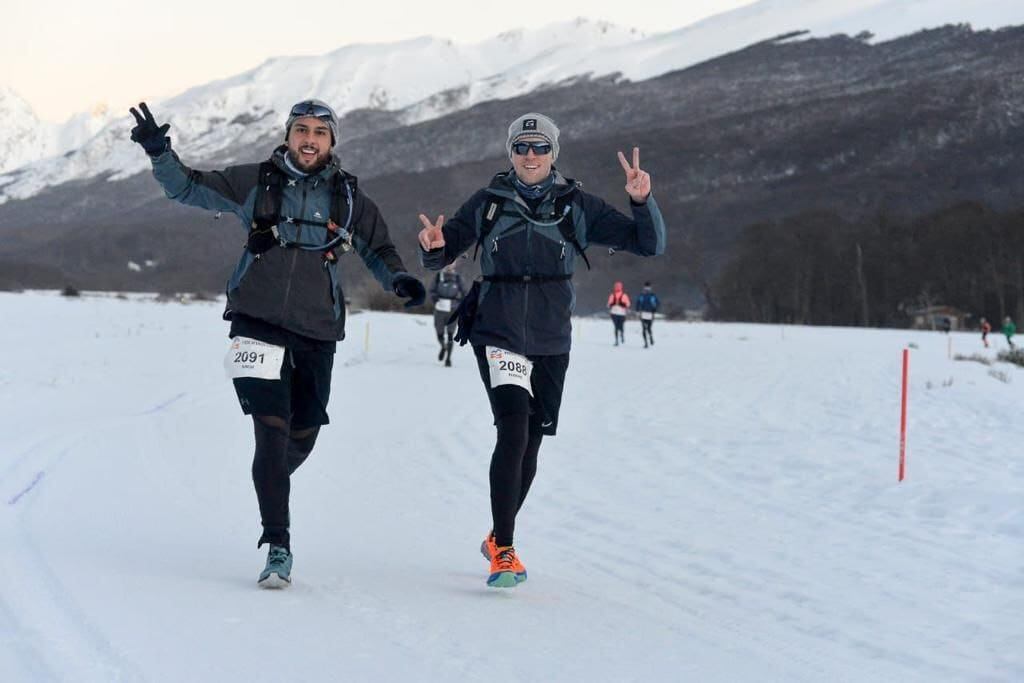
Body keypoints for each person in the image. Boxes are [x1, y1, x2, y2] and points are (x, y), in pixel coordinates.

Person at [128, 99, 425, 588]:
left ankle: (269, 482)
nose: (309, 140)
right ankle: (278, 543)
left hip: (316, 328)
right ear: (288, 135)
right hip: (257, 320)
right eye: (301, 130)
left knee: (302, 433)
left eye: (320, 133)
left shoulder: (348, 199)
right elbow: (186, 189)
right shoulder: (256, 182)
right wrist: (161, 154)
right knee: (271, 427)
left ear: (332, 142)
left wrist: (399, 281)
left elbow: (380, 250)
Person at [417, 112, 665, 587]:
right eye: (521, 147)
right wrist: (433, 248)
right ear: (510, 152)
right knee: (512, 430)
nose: (530, 156)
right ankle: (505, 551)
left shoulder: (577, 205)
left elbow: (648, 244)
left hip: (551, 336)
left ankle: (496, 535)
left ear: (554, 152)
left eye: (540, 147)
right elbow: (446, 248)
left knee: (531, 442)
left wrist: (642, 200)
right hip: (498, 330)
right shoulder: (490, 202)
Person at [430, 262, 466, 366]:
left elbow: (465, 293)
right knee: (439, 333)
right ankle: (443, 346)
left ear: (455, 265)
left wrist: (460, 301)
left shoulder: (458, 278)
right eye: (447, 264)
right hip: (440, 309)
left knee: (450, 334)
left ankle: (448, 359)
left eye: (452, 264)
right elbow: (431, 291)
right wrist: (435, 298)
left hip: (453, 310)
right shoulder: (438, 277)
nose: (449, 266)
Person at [635, 281, 660, 348]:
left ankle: (650, 338)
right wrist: (637, 310)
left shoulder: (651, 295)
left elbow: (657, 303)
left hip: (649, 313)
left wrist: (655, 309)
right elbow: (638, 303)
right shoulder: (643, 295)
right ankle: (646, 343)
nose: (647, 288)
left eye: (648, 287)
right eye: (646, 287)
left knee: (647, 328)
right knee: (644, 329)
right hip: (644, 313)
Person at [607, 281, 631, 345]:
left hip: (618, 313)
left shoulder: (621, 295)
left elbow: (628, 304)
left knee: (618, 326)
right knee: (618, 326)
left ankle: (619, 337)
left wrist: (620, 304)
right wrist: (614, 304)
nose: (617, 288)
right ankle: (618, 338)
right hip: (617, 313)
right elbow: (608, 304)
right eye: (616, 287)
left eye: (618, 287)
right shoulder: (615, 295)